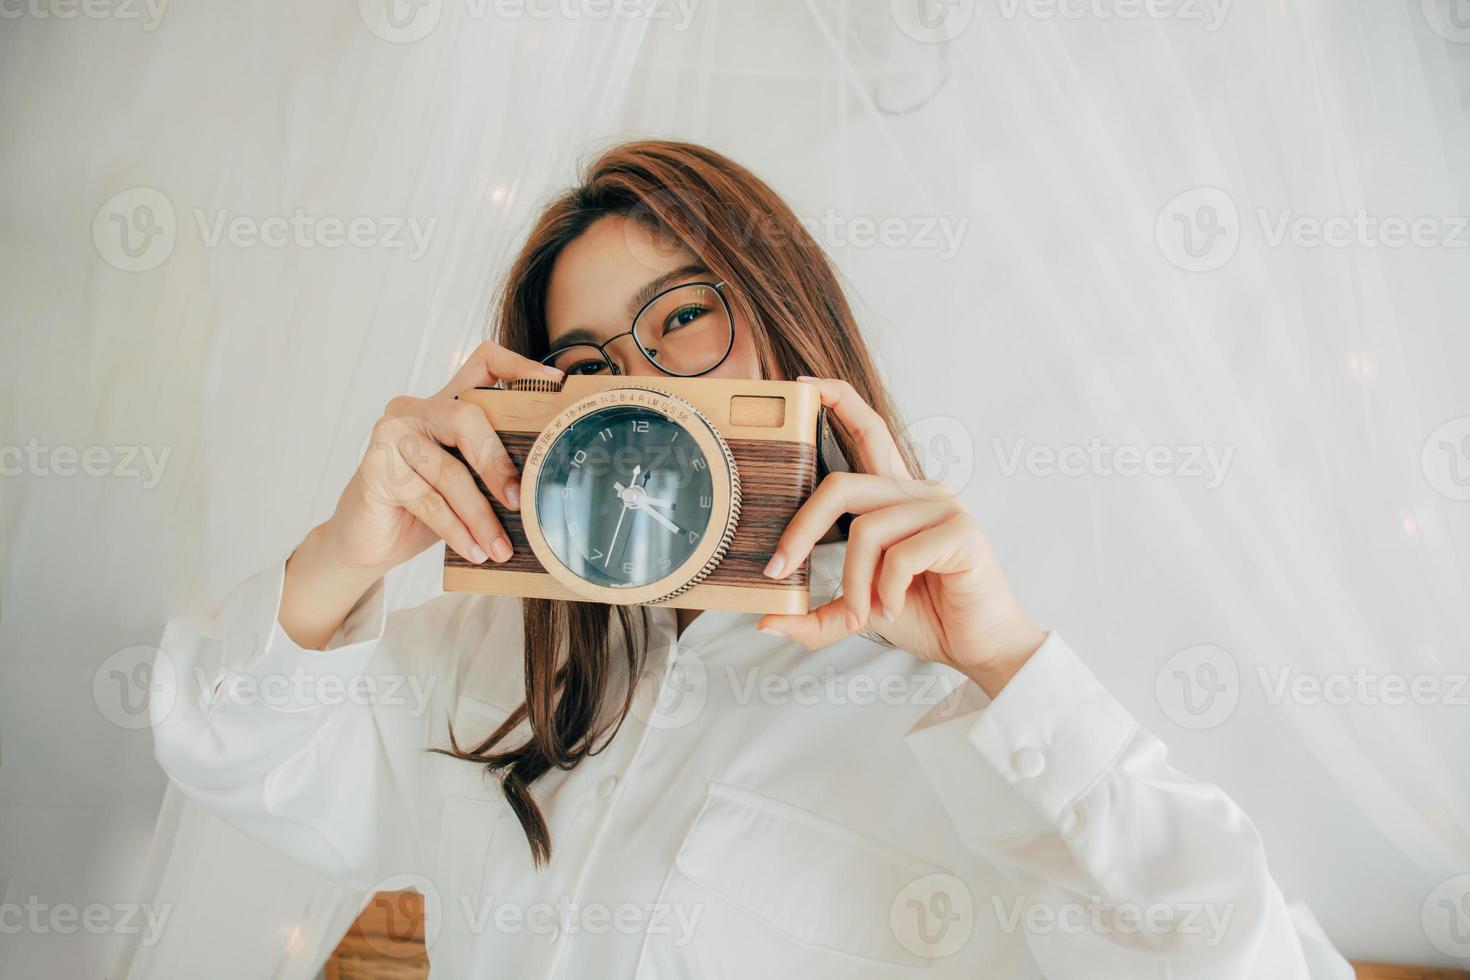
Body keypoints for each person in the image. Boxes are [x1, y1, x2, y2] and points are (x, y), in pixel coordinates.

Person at [153, 140, 1352, 978]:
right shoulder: (490, 660)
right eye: (585, 362)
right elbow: (230, 747)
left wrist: (1002, 664)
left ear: (790, 324)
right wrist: (349, 546)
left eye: (682, 315)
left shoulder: (971, 717)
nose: (639, 382)